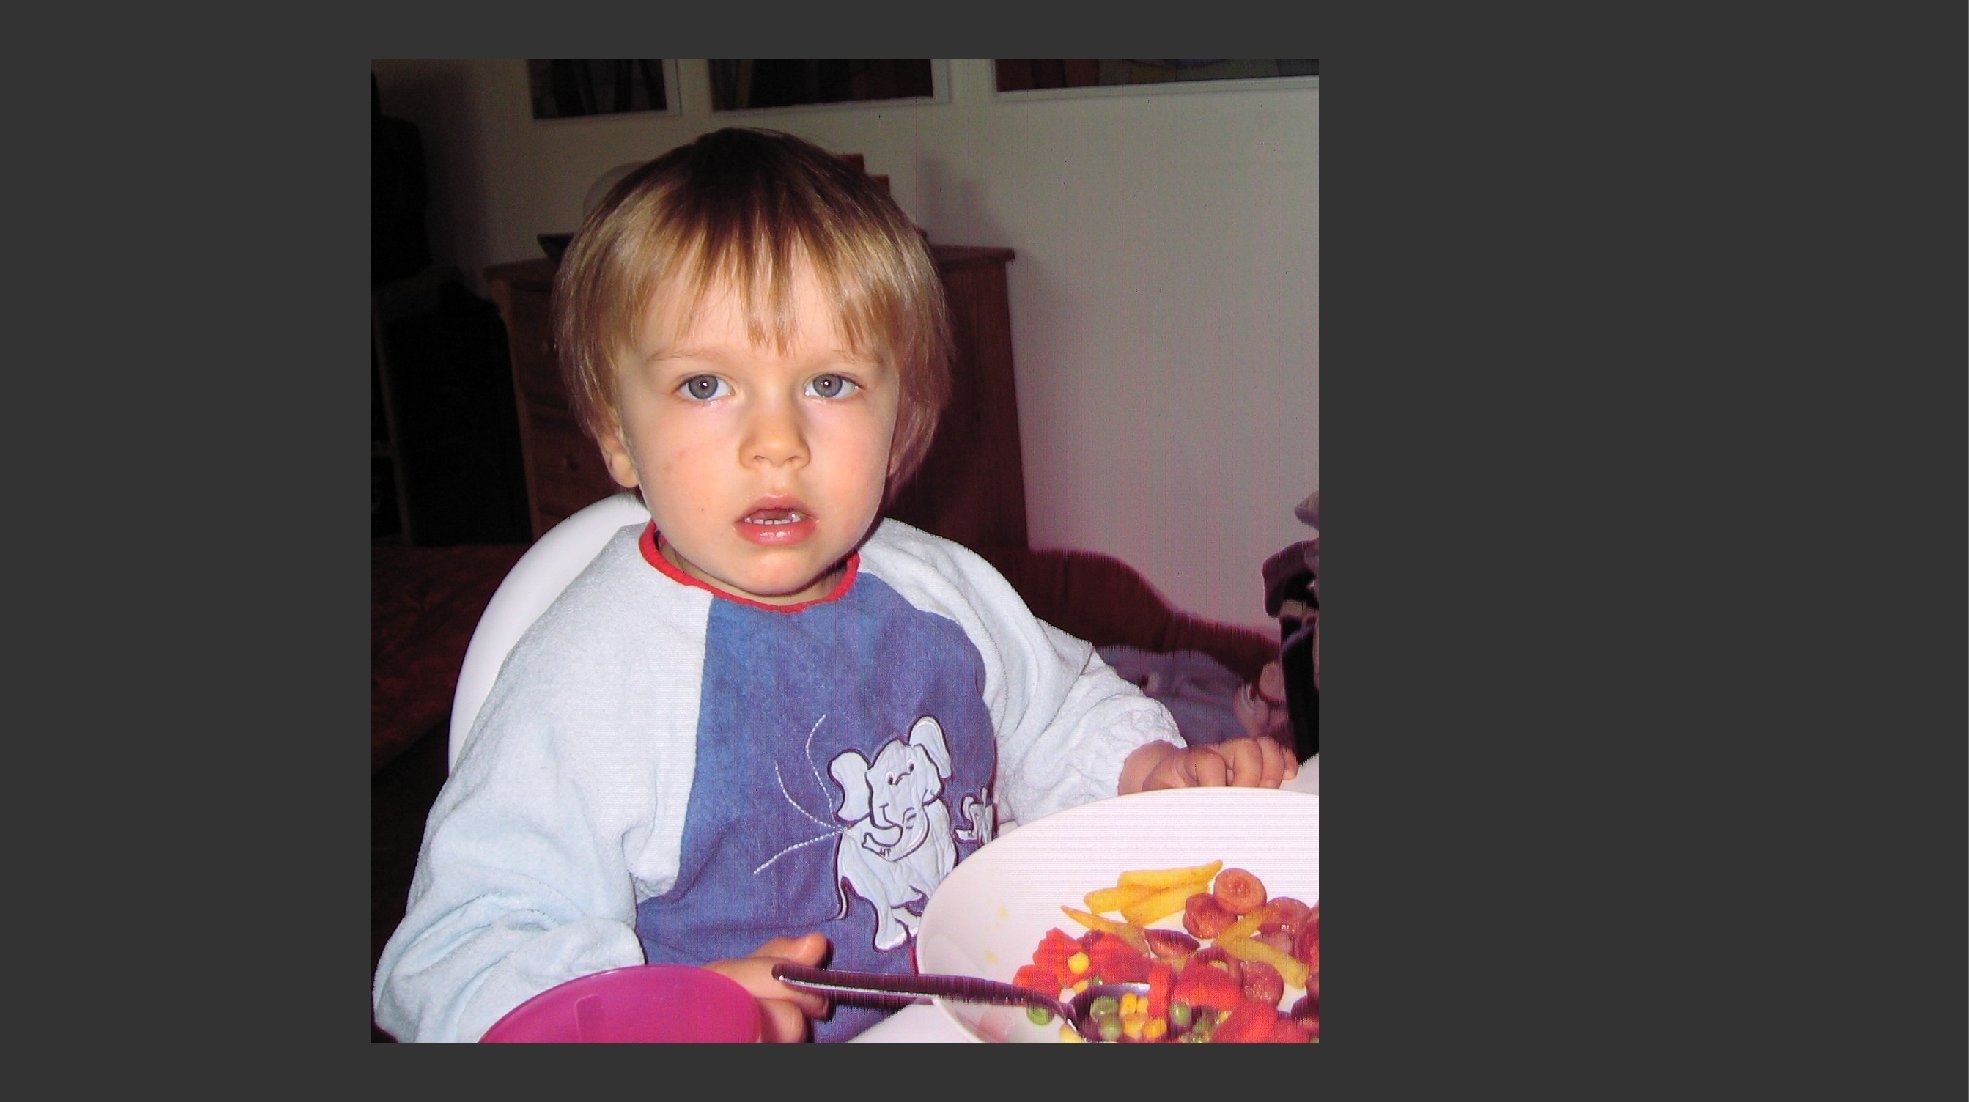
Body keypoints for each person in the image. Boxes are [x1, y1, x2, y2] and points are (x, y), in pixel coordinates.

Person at [372, 127, 1298, 1043]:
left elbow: (1056, 713)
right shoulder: (590, 678)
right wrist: (659, 1014)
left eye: (829, 383)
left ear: (901, 428)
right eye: (704, 386)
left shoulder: (939, 591)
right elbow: (455, 952)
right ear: (617, 433)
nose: (776, 443)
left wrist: (1144, 771)